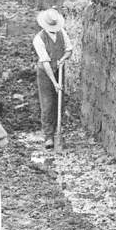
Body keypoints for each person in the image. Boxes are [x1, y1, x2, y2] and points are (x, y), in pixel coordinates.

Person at [32, 8, 73, 149]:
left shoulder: (62, 33)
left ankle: (58, 131)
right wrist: (55, 82)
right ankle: (48, 136)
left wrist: (63, 59)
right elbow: (45, 62)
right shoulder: (39, 39)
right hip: (45, 73)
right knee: (47, 103)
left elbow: (69, 49)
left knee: (59, 102)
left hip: (59, 69)